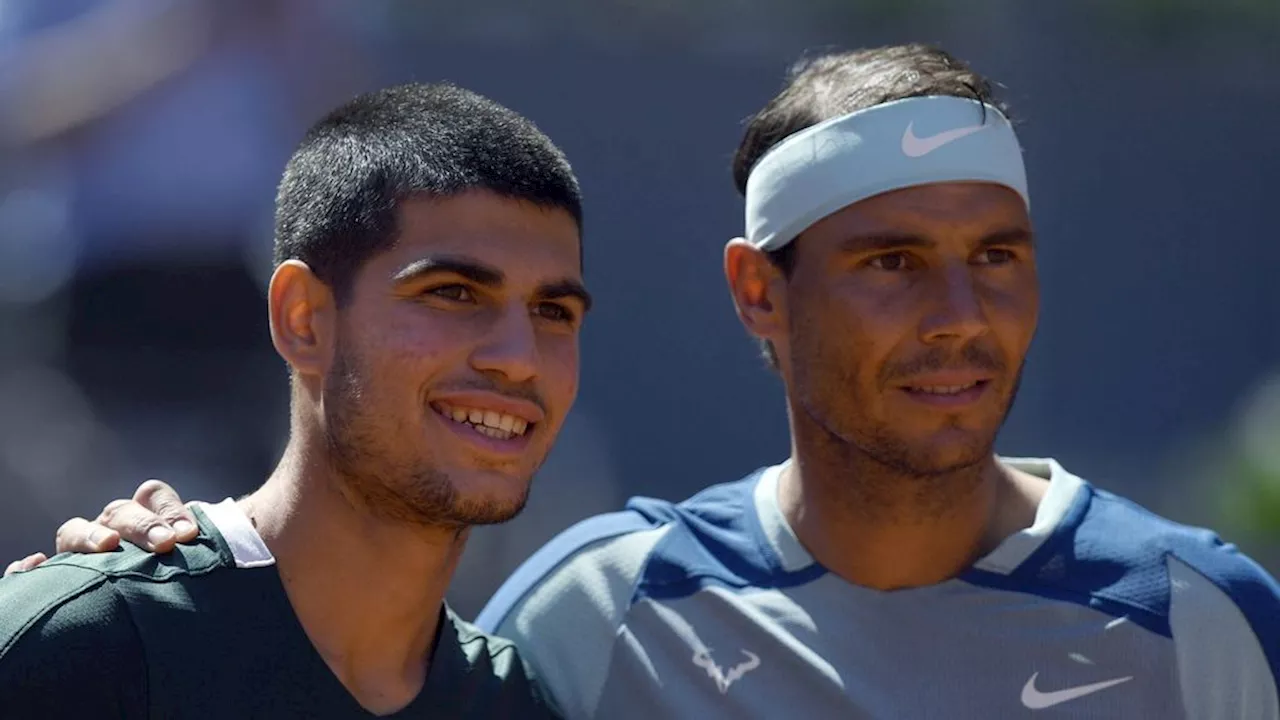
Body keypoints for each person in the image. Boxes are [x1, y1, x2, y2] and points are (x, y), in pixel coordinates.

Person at [14, 43, 1280, 719]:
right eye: (892, 262)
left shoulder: (1210, 623)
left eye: (995, 258)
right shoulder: (588, 617)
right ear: (757, 295)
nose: (958, 316)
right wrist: (124, 597)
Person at [0, 82, 591, 718]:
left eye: (552, 310)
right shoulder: (84, 646)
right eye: (453, 293)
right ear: (304, 318)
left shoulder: (526, 702)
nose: (518, 357)